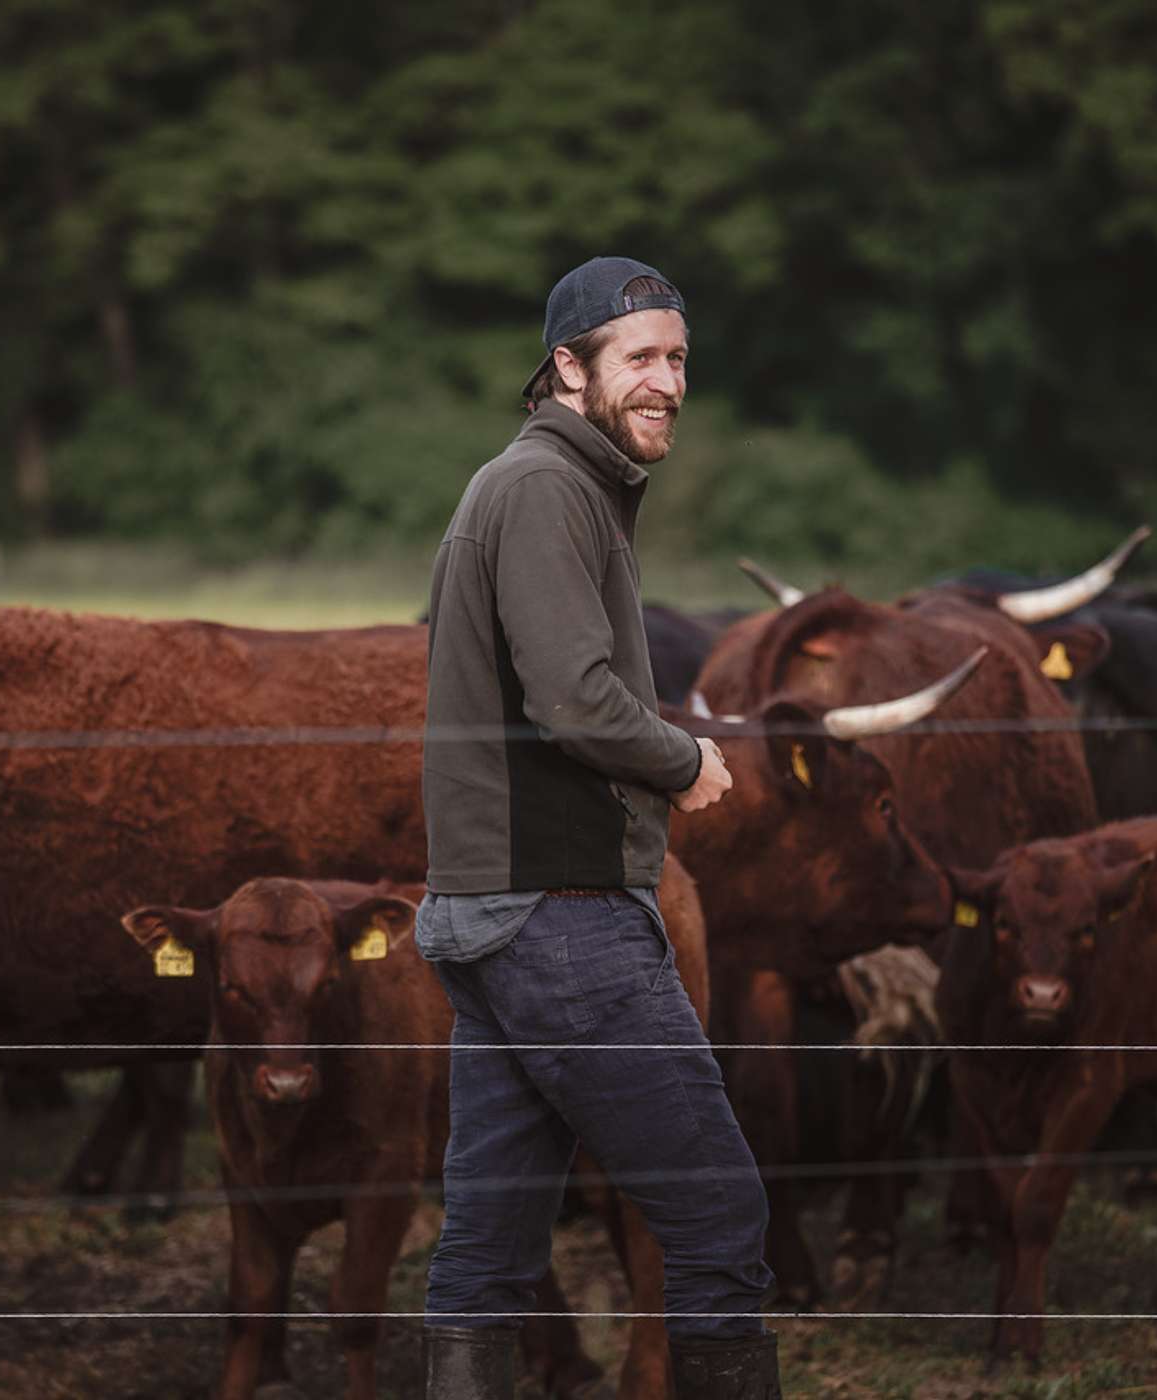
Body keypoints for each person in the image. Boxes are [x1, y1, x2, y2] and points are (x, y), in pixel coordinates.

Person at [416, 256, 780, 1399]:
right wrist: (686, 760)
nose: (665, 379)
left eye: (676, 358)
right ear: (567, 368)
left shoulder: (557, 487)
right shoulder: (542, 491)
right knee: (719, 1211)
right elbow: (572, 696)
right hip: (560, 915)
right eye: (638, 357)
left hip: (500, 916)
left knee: (487, 1250)